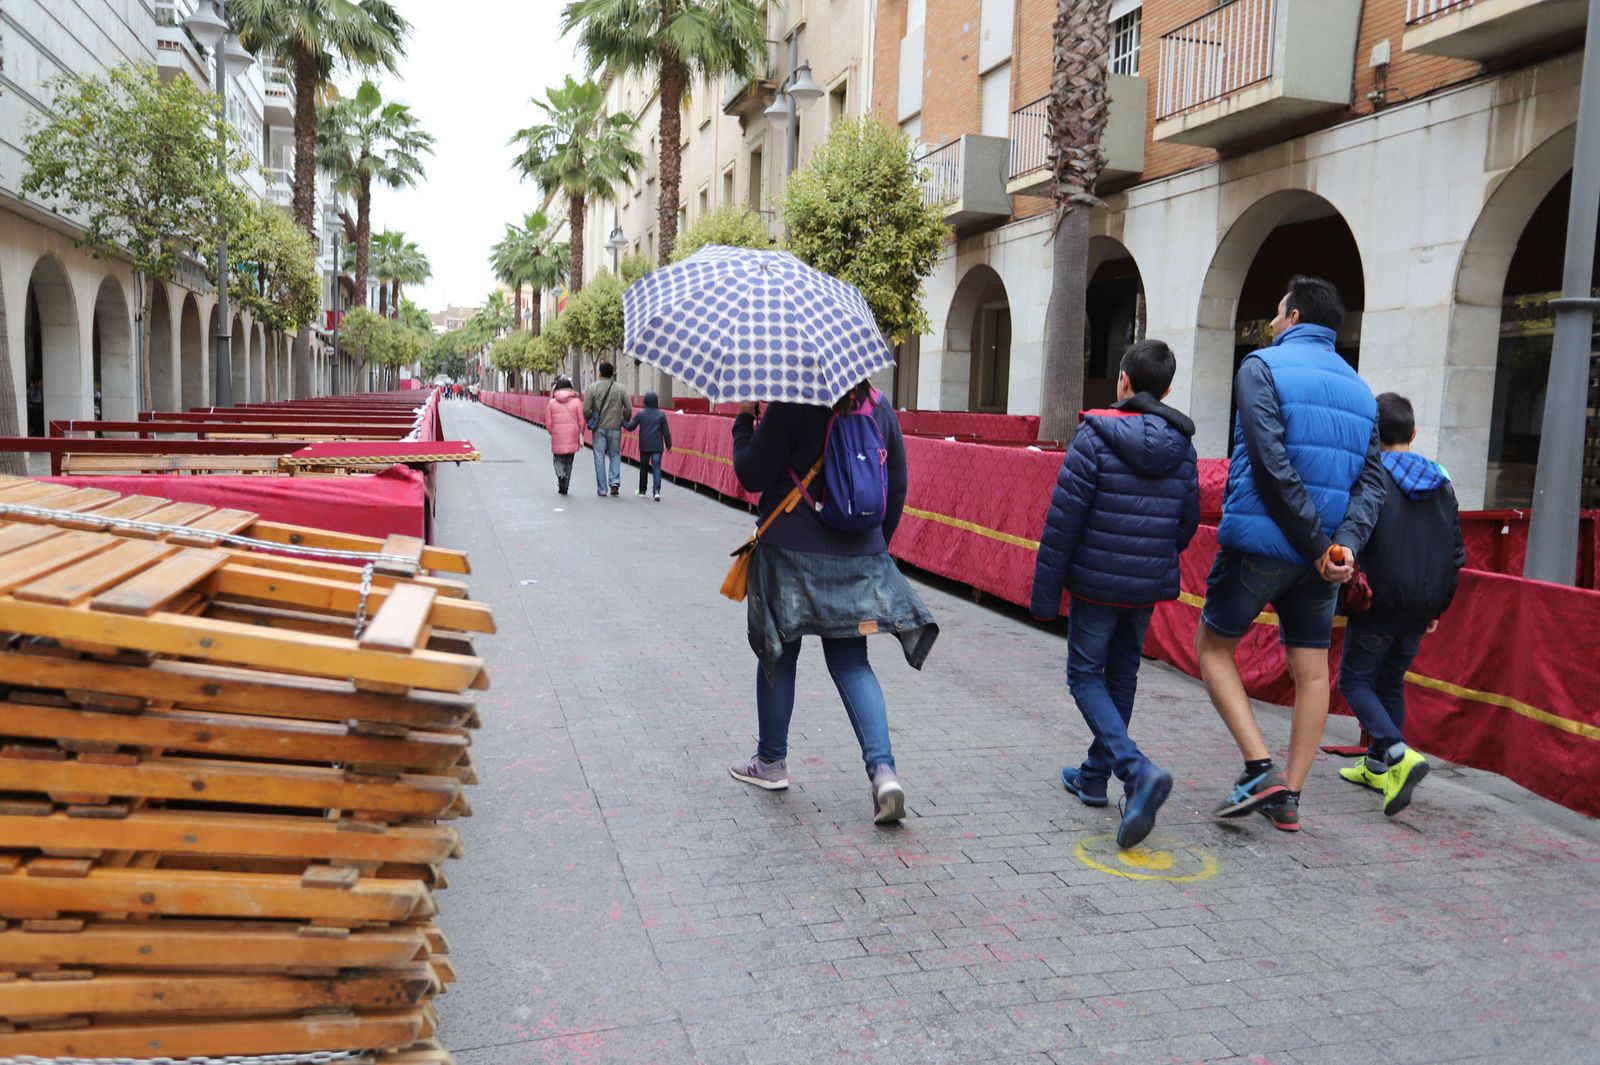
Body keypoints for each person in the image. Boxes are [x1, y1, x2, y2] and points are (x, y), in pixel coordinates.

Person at [1196, 274, 1385, 833]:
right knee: (1312, 672)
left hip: (1265, 545)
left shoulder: (1261, 367)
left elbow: (1269, 463)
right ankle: (1289, 798)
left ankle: (1260, 766)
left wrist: (1318, 544)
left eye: (1278, 315)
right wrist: (1341, 546)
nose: (1273, 324)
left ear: (1295, 317)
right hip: (1323, 561)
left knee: (1212, 647)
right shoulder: (1361, 391)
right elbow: (1371, 485)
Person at [727, 382, 938, 824]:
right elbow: (895, 488)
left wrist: (746, 417)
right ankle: (883, 773)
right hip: (859, 555)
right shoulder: (878, 408)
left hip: (790, 551)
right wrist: (870, 548)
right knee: (851, 662)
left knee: (780, 654)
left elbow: (751, 474)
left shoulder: (791, 402)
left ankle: (770, 762)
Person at [1030, 340, 1200, 850]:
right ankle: (1092, 776)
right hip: (1145, 584)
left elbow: (1063, 523)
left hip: (1096, 582)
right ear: (1167, 389)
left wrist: (1043, 596)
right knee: (1122, 674)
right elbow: (1186, 525)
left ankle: (1135, 770)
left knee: (1085, 676)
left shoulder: (1095, 435)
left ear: (1122, 379)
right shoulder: (1182, 446)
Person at [1336, 392, 1465, 816]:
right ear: (1413, 432)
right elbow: (1456, 553)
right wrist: (1437, 608)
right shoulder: (1442, 482)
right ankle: (1377, 767)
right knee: (1390, 681)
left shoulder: (1368, 478)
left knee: (1354, 681)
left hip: (1378, 599)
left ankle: (1394, 752)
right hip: (1421, 605)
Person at [584, 362, 630, 497]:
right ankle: (614, 481)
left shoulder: (592, 388)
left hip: (599, 428)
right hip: (615, 427)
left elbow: (586, 409)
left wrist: (590, 418)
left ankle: (602, 489)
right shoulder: (621, 388)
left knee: (599, 457)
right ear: (612, 374)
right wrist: (624, 419)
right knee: (615, 454)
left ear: (600, 373)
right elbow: (628, 408)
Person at [623, 391, 673, 500]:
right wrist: (669, 446)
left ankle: (642, 491)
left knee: (644, 468)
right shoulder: (661, 415)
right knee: (656, 467)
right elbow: (666, 432)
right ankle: (656, 491)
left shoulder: (641, 414)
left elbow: (631, 427)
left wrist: (622, 422)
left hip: (645, 445)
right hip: (657, 446)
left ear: (645, 401)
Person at [545, 375, 586, 496]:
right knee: (569, 462)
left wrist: (553, 432)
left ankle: (560, 475)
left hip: (557, 436)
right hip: (573, 435)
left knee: (557, 460)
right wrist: (580, 433)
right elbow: (582, 422)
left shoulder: (551, 403)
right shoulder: (577, 402)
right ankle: (565, 485)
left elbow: (548, 423)